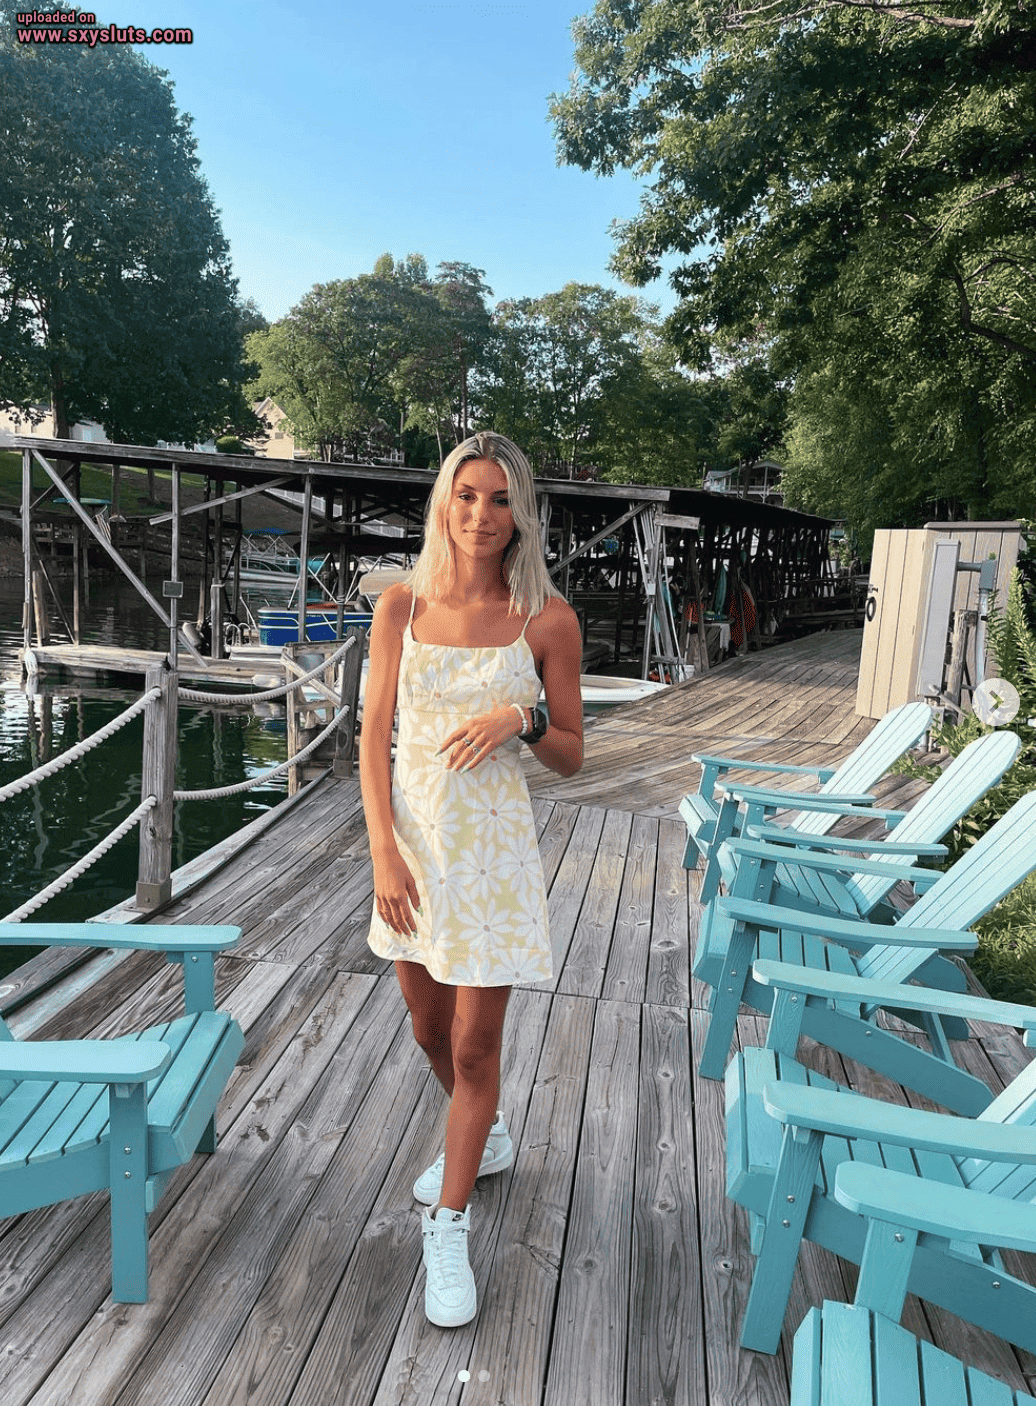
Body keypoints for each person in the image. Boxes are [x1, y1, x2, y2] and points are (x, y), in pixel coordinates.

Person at [360, 431, 583, 1328]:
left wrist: (521, 718)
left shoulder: (547, 621)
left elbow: (570, 755)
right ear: (443, 504)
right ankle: (482, 1137)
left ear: (520, 513)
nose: (482, 515)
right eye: (467, 495)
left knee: (473, 1049)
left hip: (491, 862)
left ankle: (446, 1227)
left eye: (499, 500)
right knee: (426, 1027)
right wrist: (383, 851)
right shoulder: (400, 607)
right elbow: (372, 741)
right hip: (412, 855)